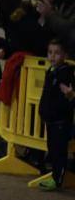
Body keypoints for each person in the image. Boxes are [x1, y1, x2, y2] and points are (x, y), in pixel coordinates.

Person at [38, 38, 75, 191]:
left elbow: (68, 95)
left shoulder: (66, 73)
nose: (52, 56)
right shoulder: (50, 71)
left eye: (57, 53)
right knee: (52, 148)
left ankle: (57, 179)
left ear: (64, 55)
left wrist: (70, 94)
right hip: (50, 119)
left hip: (60, 120)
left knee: (59, 151)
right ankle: (54, 174)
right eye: (50, 52)